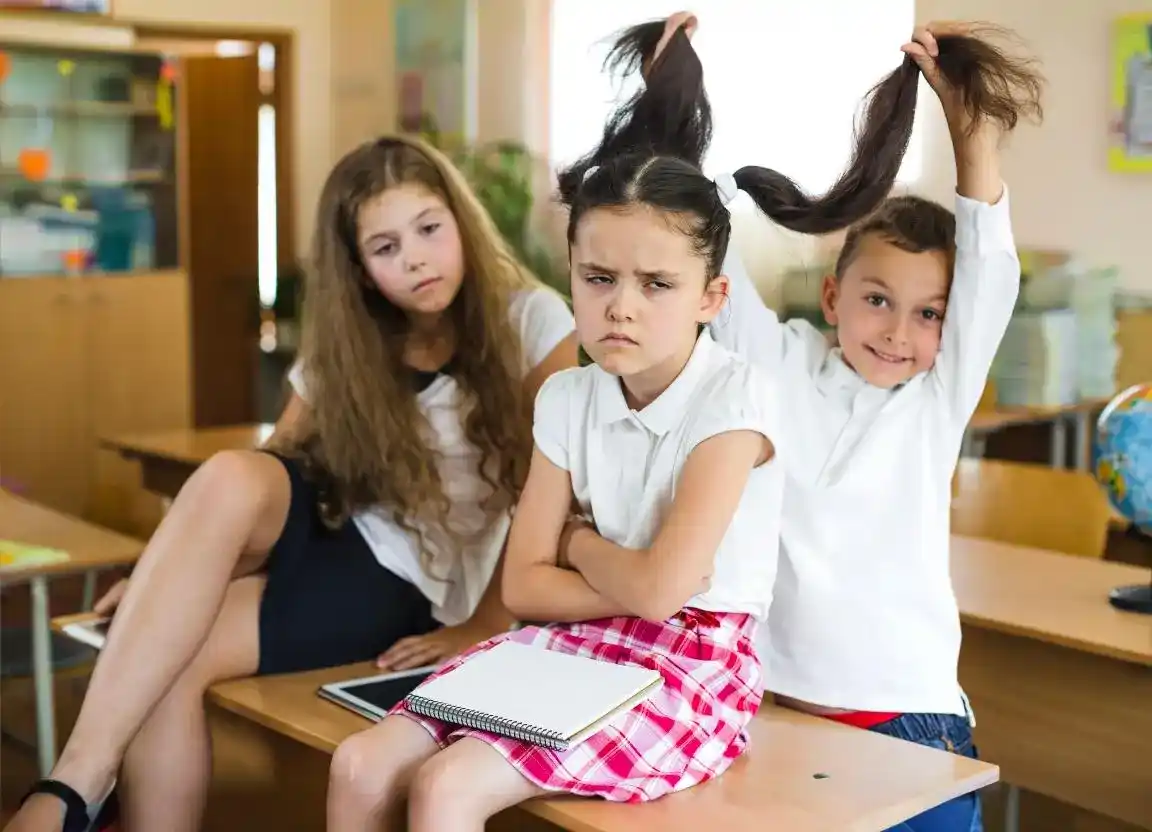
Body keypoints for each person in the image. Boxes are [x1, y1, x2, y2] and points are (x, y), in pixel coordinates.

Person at [7, 135, 578, 832]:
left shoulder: (533, 319)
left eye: (429, 228)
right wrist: (173, 567)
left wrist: (488, 620)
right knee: (223, 484)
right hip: (343, 522)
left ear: (460, 220)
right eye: (386, 247)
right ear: (362, 270)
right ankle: (76, 784)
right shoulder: (357, 334)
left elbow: (550, 489)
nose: (417, 258)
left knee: (170, 662)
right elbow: (279, 456)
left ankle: (71, 797)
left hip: (415, 578)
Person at [323, 22, 792, 832]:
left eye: (656, 284)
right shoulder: (569, 396)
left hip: (696, 666)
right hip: (578, 638)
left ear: (711, 299)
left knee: (446, 787)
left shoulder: (735, 400)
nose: (621, 305)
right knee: (359, 761)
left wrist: (576, 545)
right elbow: (521, 587)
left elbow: (661, 593)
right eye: (599, 277)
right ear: (569, 274)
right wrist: (606, 576)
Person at [652, 14, 1042, 832]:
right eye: (877, 300)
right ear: (833, 297)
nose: (900, 332)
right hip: (771, 707)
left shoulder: (935, 401)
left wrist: (971, 137)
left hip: (908, 723)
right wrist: (671, 105)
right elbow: (701, 248)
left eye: (928, 313)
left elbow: (990, 273)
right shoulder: (778, 362)